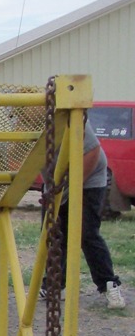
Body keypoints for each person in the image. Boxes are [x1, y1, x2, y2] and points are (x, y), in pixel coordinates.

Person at [40, 121, 125, 309]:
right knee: (52, 234)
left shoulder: (69, 118)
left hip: (89, 180)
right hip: (55, 183)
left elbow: (93, 152)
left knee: (87, 234)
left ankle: (109, 284)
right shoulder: (25, 127)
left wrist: (73, 185)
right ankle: (54, 284)